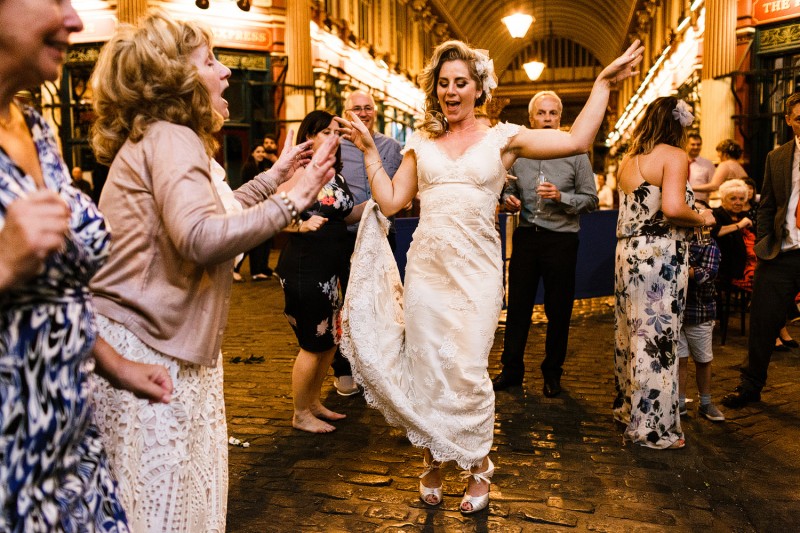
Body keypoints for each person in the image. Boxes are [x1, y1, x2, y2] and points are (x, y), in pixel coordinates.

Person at [339, 39, 644, 513]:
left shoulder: (504, 138)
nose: (451, 91)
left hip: (478, 275)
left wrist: (602, 84)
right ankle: (434, 461)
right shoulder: (420, 143)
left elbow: (576, 140)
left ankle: (478, 465)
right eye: (443, 83)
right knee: (429, 369)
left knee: (466, 369)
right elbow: (395, 201)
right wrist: (368, 152)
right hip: (427, 274)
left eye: (461, 82)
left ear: (479, 87)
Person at [86, 11, 337, 532]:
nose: (225, 73)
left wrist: (276, 178)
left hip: (154, 341)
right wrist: (294, 200)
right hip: (154, 345)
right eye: (211, 61)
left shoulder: (163, 138)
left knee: (148, 494)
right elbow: (199, 238)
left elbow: (219, 214)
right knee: (161, 504)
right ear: (179, 79)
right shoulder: (172, 139)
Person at [0, 2, 173, 530]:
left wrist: (113, 363)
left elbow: (57, 289)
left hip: (70, 453)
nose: (74, 19)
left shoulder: (34, 125)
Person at [612, 96, 715, 450]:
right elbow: (672, 208)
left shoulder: (629, 161)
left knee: (630, 335)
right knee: (657, 341)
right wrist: (702, 217)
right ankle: (652, 429)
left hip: (628, 253)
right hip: (659, 257)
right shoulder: (674, 156)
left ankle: (629, 410)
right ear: (678, 125)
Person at [492, 90, 599, 397]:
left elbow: (591, 200)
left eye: (553, 113)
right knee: (518, 309)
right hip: (526, 238)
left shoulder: (576, 153)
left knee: (559, 310)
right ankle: (511, 371)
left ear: (560, 117)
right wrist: (505, 199)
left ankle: (552, 373)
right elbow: (498, 184)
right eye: (542, 113)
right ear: (532, 118)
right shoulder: (518, 152)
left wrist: (561, 197)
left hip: (562, 241)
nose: (548, 118)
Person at [275, 110, 364, 433]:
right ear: (308, 136)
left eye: (335, 132)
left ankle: (313, 403)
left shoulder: (333, 174)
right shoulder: (299, 171)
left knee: (329, 341)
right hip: (305, 266)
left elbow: (345, 214)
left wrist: (377, 204)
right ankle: (300, 413)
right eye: (325, 131)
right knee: (312, 343)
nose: (333, 137)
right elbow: (271, 209)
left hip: (333, 267)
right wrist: (298, 225)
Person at [723, 92, 800, 408]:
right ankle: (750, 386)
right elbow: (767, 203)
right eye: (799, 118)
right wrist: (769, 239)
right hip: (782, 251)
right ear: (789, 121)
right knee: (763, 321)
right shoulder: (778, 157)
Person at [332, 90, 403, 397]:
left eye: (368, 108)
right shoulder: (334, 147)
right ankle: (345, 368)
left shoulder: (392, 147)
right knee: (346, 304)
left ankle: (379, 366)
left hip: (384, 236)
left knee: (382, 303)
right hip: (345, 239)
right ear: (347, 113)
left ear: (376, 112)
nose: (362, 113)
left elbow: (401, 190)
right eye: (356, 108)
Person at [678, 238, 725, 422]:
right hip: (676, 314)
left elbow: (706, 274)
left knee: (703, 360)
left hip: (700, 313)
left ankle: (705, 403)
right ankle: (679, 403)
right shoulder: (674, 240)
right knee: (679, 360)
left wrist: (678, 268)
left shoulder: (709, 244)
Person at [233, 143, 274, 282]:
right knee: (248, 241)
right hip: (251, 208)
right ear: (252, 153)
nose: (261, 154)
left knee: (260, 240)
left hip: (262, 208)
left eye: (262, 152)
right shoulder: (249, 168)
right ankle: (234, 268)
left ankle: (258, 270)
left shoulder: (262, 166)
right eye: (258, 151)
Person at [711, 179, 753, 285]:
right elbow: (716, 232)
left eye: (742, 199)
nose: (738, 202)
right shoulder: (716, 214)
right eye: (733, 198)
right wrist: (739, 225)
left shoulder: (744, 216)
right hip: (722, 271)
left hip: (745, 269)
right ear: (723, 200)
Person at [685, 133, 716, 207]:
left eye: (698, 144)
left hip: (700, 204)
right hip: (680, 203)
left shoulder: (708, 164)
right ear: (686, 145)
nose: (696, 147)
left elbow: (713, 186)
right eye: (693, 144)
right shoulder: (680, 162)